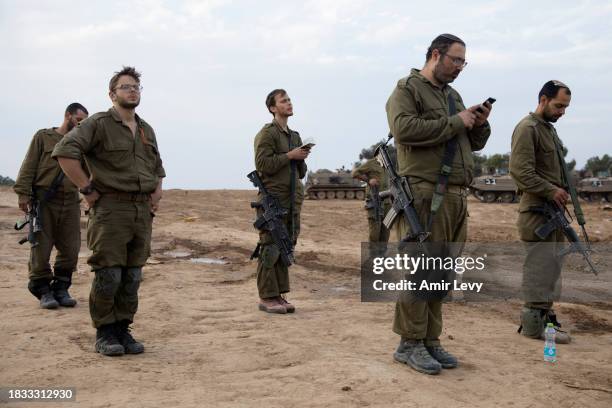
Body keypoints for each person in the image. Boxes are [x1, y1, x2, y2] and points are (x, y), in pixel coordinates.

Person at [385, 34, 492, 374]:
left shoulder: (453, 96)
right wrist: (455, 121)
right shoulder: (407, 89)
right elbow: (404, 130)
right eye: (455, 60)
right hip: (425, 193)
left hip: (456, 195)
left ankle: (430, 339)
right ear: (436, 54)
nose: (460, 67)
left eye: (463, 62)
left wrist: (479, 121)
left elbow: (470, 143)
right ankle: (410, 343)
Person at [52, 66, 165, 356]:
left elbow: (157, 166)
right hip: (111, 209)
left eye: (136, 87)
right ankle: (105, 332)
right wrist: (87, 189)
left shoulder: (145, 128)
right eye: (126, 87)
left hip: (141, 211)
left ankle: (123, 328)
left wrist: (156, 191)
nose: (132, 91)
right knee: (109, 274)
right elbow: (65, 152)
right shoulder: (99, 124)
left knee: (133, 275)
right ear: (112, 94)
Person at [509, 80, 573, 344]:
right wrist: (550, 190)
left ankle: (546, 317)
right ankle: (533, 325)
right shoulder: (527, 128)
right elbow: (520, 171)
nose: (562, 112)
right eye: (559, 105)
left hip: (551, 212)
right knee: (538, 267)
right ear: (543, 100)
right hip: (537, 213)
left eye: (566, 107)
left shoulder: (548, 130)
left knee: (552, 267)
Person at [14, 103, 89, 309]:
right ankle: (42, 289)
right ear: (68, 115)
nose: (82, 124)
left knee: (71, 247)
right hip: (44, 200)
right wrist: (23, 193)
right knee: (41, 247)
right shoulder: (44, 137)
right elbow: (29, 164)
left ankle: (61, 288)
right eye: (79, 119)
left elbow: (89, 172)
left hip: (71, 201)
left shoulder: (81, 144)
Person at [253, 89, 310, 314]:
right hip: (273, 200)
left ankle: (279, 295)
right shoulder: (266, 134)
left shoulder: (294, 136)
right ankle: (267, 297)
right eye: (283, 101)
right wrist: (289, 156)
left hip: (292, 200)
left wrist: (302, 156)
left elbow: (300, 173)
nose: (288, 103)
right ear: (272, 108)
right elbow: (263, 164)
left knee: (286, 246)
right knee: (270, 247)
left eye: (289, 100)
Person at [351, 157, 391, 243]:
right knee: (375, 234)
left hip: (388, 202)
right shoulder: (372, 163)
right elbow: (354, 173)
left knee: (385, 234)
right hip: (375, 201)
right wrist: (369, 180)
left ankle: (381, 256)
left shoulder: (388, 164)